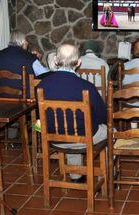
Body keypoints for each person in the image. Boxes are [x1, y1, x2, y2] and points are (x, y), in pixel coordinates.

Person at [37, 44, 107, 181]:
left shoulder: (42, 85)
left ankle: (76, 175)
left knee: (69, 127)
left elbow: (42, 116)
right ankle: (108, 175)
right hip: (83, 138)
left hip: (54, 138)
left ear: (56, 60)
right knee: (110, 131)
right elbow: (102, 116)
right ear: (79, 62)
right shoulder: (87, 87)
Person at [0, 31, 48, 97]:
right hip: (23, 102)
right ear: (22, 42)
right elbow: (45, 75)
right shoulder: (30, 57)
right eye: (26, 41)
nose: (27, 43)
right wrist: (38, 61)